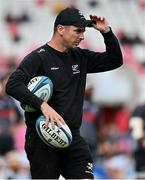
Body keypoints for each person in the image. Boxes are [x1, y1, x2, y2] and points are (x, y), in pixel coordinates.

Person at [6, 7, 123, 179]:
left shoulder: (80, 57)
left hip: (72, 136)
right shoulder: (38, 57)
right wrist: (42, 105)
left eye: (83, 31)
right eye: (78, 31)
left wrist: (106, 32)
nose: (82, 36)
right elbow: (13, 84)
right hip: (42, 137)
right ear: (60, 29)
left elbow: (115, 61)